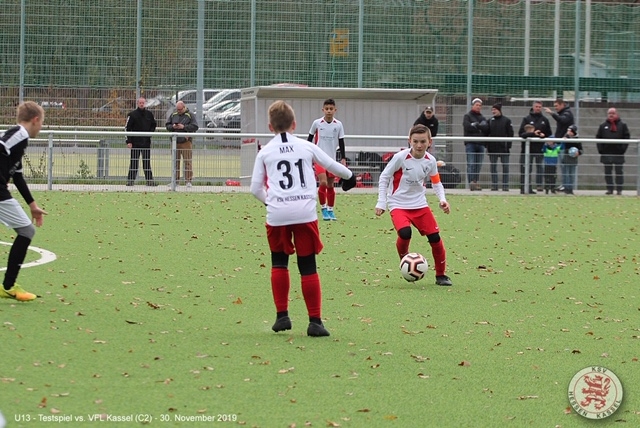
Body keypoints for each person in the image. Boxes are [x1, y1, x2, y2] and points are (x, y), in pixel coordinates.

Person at [250, 100, 356, 337]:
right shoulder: (306, 146)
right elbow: (330, 164)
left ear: (270, 127)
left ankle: (282, 316)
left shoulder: (265, 151)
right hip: (305, 212)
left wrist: (272, 202)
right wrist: (350, 177)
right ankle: (315, 322)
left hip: (277, 214)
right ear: (294, 124)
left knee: (279, 262)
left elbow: (255, 189)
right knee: (308, 266)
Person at [375, 124, 452, 286]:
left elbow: (436, 182)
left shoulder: (430, 161)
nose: (419, 145)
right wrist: (381, 202)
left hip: (420, 205)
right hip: (398, 204)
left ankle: (441, 275)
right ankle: (405, 261)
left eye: (423, 141)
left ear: (429, 142)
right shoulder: (400, 157)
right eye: (415, 141)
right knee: (405, 233)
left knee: (435, 238)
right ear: (409, 141)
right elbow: (384, 177)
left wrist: (442, 200)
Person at [0, 101, 48, 301]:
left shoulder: (20, 141)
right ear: (35, 120)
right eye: (41, 123)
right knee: (27, 231)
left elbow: (17, 176)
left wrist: (32, 205)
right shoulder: (19, 134)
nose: (41, 128)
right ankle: (9, 286)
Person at [307, 99, 346, 221]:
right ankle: (323, 208)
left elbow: (341, 142)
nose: (329, 111)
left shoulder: (338, 125)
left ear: (335, 110)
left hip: (331, 160)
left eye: (331, 109)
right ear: (323, 110)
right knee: (323, 182)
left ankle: (330, 210)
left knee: (330, 185)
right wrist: (308, 154)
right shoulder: (317, 123)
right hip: (319, 158)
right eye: (327, 109)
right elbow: (309, 139)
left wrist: (343, 158)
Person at [518, 100, 552, 194]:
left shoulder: (545, 120)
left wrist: (543, 135)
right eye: (536, 107)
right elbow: (521, 134)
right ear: (533, 107)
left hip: (539, 149)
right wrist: (533, 134)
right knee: (526, 169)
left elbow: (549, 134)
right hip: (527, 149)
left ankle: (539, 185)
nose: (538, 108)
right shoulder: (526, 119)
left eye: (539, 107)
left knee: (540, 168)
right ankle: (524, 188)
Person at [596, 108, 630, 195]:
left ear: (616, 114)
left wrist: (622, 149)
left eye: (613, 113)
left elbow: (626, 137)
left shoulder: (622, 125)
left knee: (619, 171)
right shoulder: (603, 126)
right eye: (609, 113)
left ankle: (619, 189)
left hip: (618, 152)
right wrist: (601, 150)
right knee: (608, 172)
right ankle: (609, 189)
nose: (611, 115)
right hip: (606, 152)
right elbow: (598, 137)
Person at [166, 101, 198, 187]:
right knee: (175, 162)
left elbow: (195, 126)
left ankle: (188, 181)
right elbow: (167, 126)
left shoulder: (190, 115)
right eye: (177, 109)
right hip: (175, 142)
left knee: (187, 161)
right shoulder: (173, 114)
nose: (179, 111)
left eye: (180, 109)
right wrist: (173, 127)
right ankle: (175, 181)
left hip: (186, 142)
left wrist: (184, 127)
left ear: (184, 107)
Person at [125, 97, 157, 186]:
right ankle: (130, 180)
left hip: (146, 142)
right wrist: (129, 141)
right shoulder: (132, 115)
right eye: (140, 103)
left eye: (143, 103)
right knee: (134, 162)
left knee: (146, 162)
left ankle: (150, 181)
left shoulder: (149, 114)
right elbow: (127, 128)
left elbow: (153, 125)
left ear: (145, 103)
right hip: (135, 142)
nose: (142, 104)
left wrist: (149, 134)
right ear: (137, 103)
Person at [544, 98, 574, 192]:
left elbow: (562, 121)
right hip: (561, 143)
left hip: (565, 145)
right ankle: (565, 185)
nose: (555, 108)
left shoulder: (567, 113)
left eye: (556, 106)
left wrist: (552, 113)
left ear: (562, 105)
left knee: (566, 167)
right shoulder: (563, 113)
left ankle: (567, 187)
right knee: (563, 167)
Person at [486, 103, 513, 191]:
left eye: (495, 109)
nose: (493, 111)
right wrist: (487, 146)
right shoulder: (490, 121)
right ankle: (494, 185)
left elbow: (510, 134)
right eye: (492, 110)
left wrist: (508, 146)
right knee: (493, 167)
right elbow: (486, 133)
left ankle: (505, 185)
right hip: (492, 148)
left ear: (499, 110)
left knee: (505, 167)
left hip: (503, 148)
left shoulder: (506, 121)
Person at [462, 98, 488, 191]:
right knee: (471, 163)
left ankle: (475, 182)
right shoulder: (467, 116)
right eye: (477, 105)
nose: (478, 107)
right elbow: (467, 127)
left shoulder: (482, 117)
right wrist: (478, 127)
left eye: (480, 105)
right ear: (473, 105)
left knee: (478, 165)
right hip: (471, 143)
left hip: (480, 144)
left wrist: (476, 125)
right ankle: (471, 183)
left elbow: (486, 128)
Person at [559, 124, 582, 195]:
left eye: (570, 131)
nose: (568, 132)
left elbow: (581, 150)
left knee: (571, 175)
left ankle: (570, 189)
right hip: (566, 159)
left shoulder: (577, 140)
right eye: (568, 130)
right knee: (566, 174)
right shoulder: (566, 137)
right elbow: (561, 146)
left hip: (573, 160)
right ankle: (566, 188)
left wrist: (578, 153)